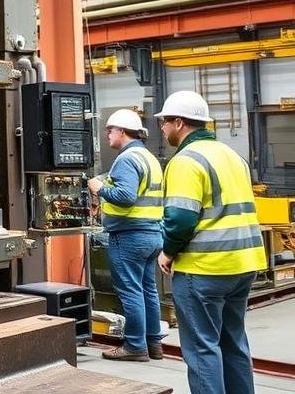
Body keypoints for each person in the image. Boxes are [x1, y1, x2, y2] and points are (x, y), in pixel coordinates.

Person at [156, 90, 266, 394]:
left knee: (202, 348)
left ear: (179, 123)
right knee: (234, 342)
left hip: (205, 268)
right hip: (243, 264)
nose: (163, 128)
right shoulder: (233, 156)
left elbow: (180, 219)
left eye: (165, 122)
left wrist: (168, 252)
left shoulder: (185, 161)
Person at [87, 108, 164, 361]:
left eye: (110, 130)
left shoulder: (126, 159)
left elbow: (126, 196)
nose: (107, 134)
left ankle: (134, 347)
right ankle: (153, 343)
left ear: (122, 131)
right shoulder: (148, 158)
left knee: (130, 292)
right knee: (148, 290)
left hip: (130, 235)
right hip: (152, 234)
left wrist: (99, 189)